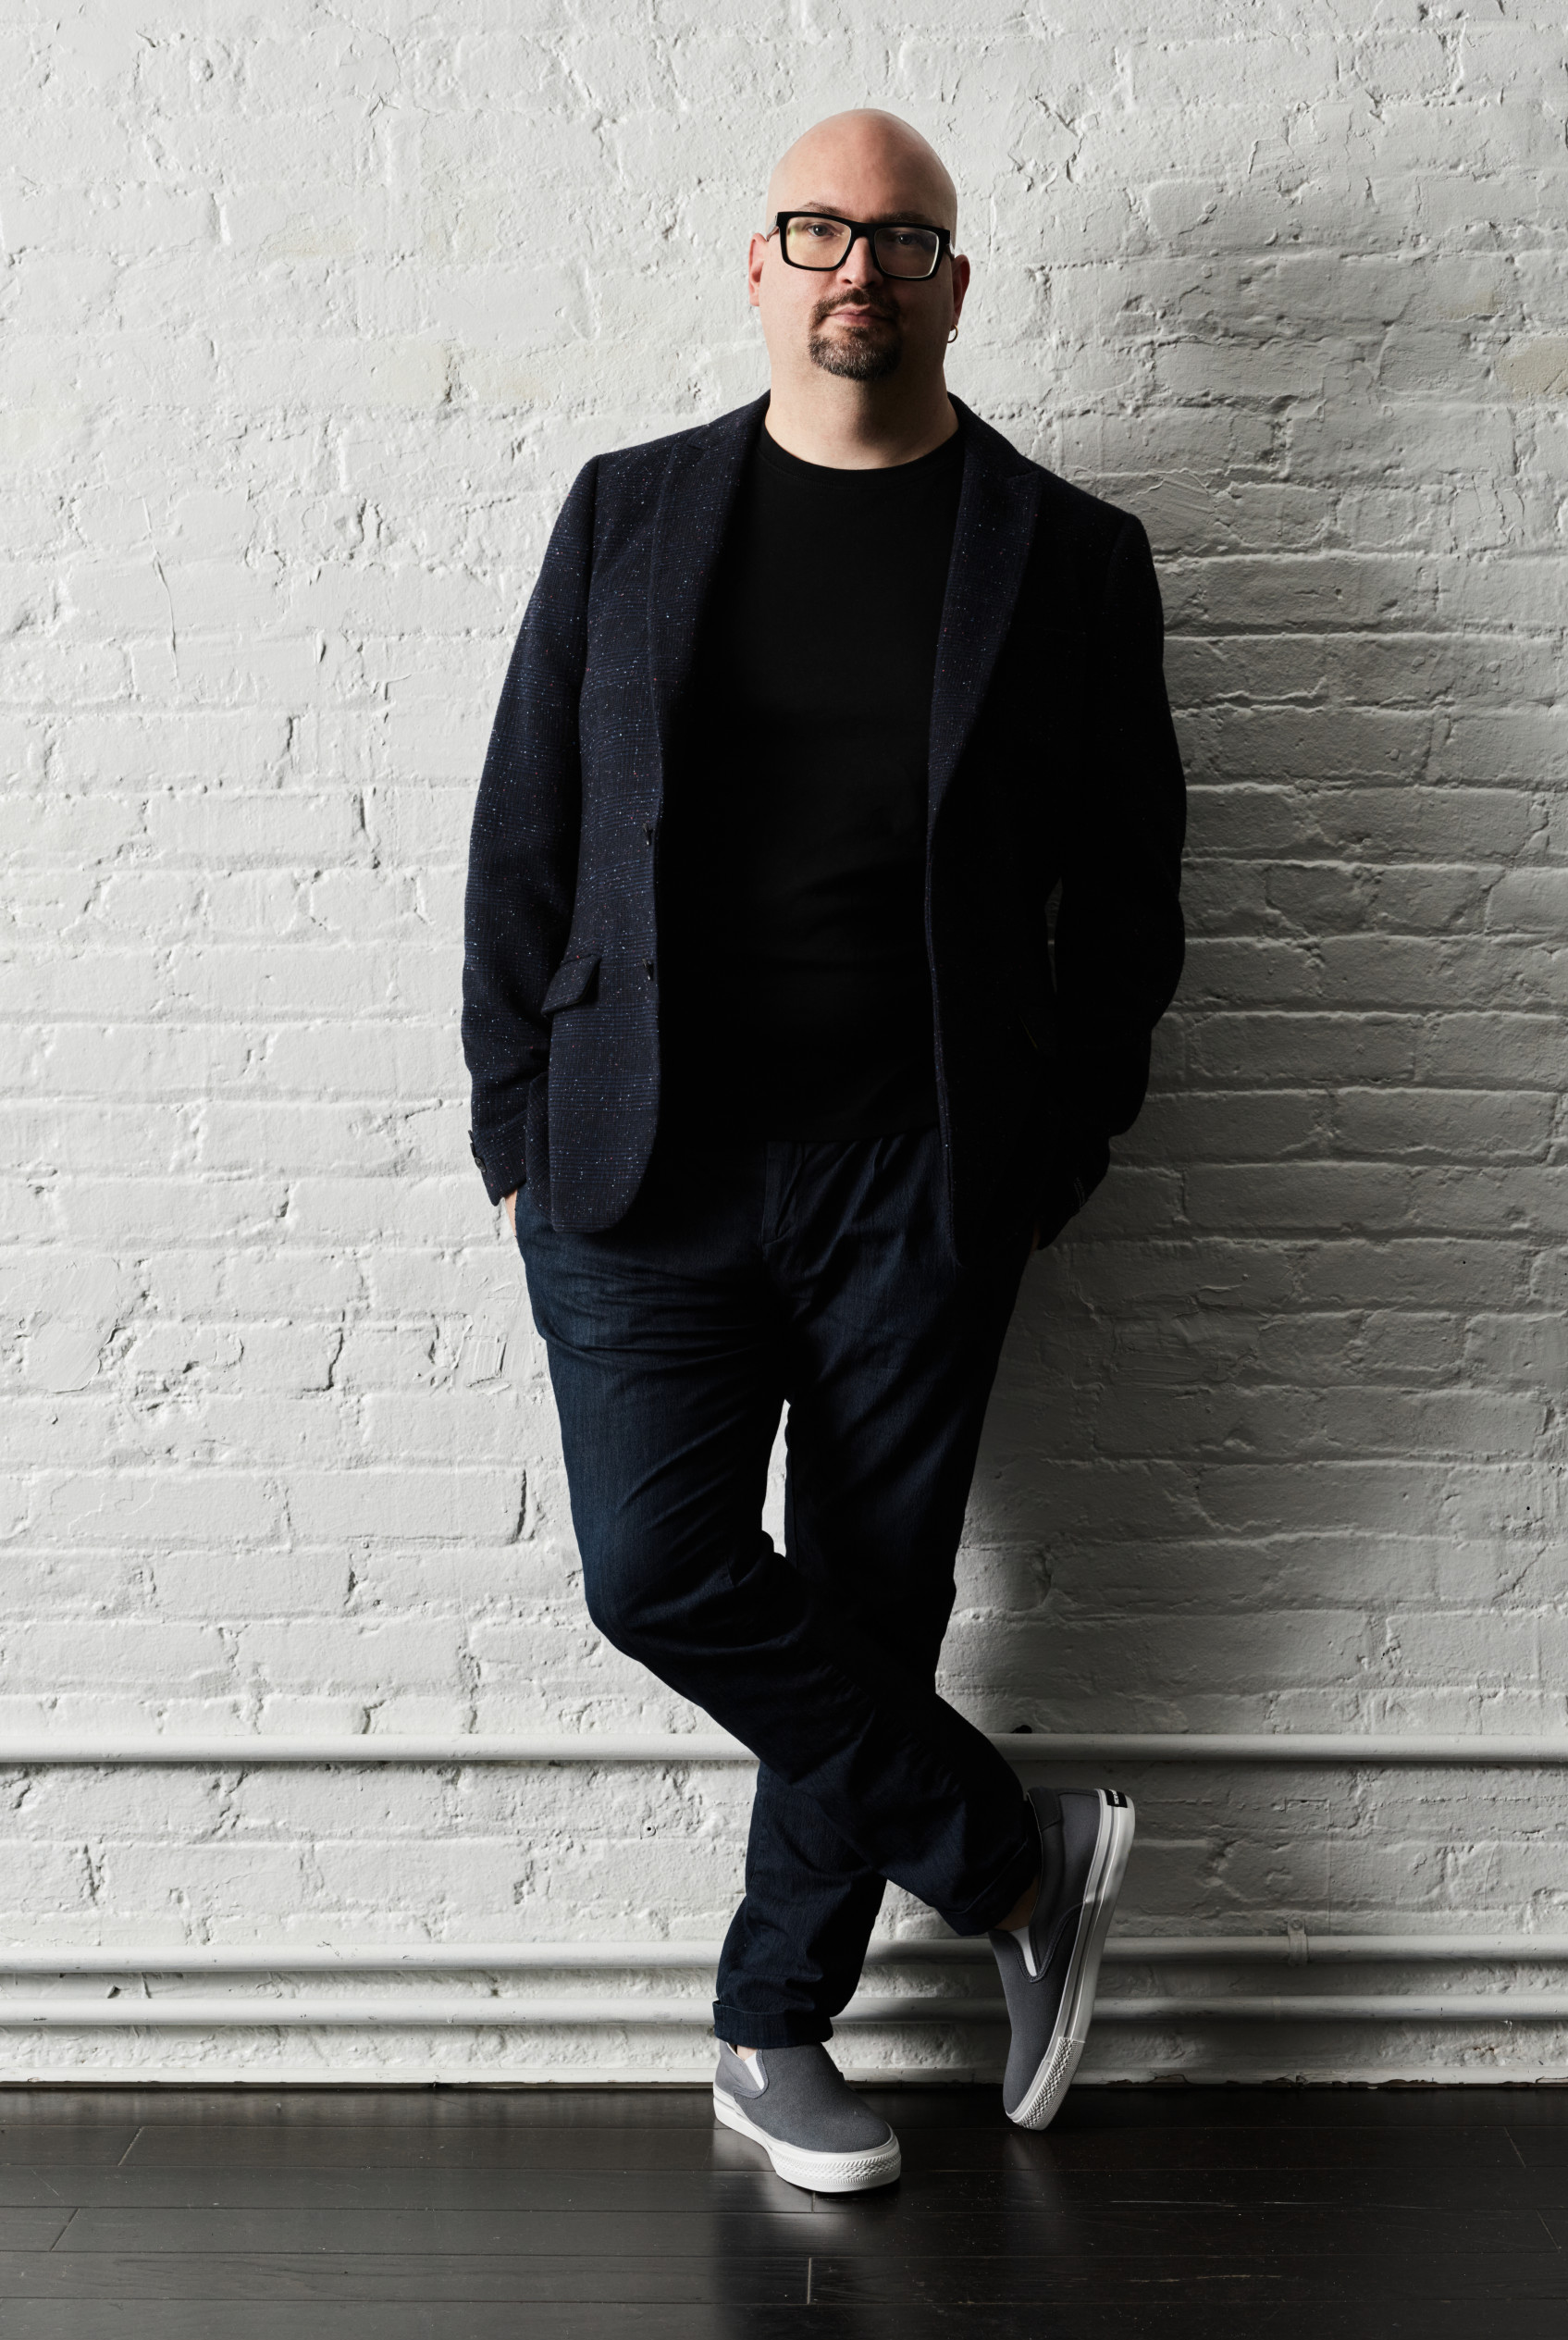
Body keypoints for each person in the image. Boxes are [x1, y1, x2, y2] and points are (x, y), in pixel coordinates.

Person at [462, 107, 1185, 2191]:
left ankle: (772, 2026)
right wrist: (516, 1122)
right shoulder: (631, 514)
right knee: (658, 1572)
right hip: (641, 1166)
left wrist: (1052, 1149)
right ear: (762, 268)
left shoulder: (1067, 557)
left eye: (903, 237)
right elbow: (528, 823)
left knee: (871, 1600)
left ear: (955, 281)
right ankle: (1014, 1860)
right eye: (819, 230)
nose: (859, 265)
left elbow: (1130, 894)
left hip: (920, 1177)